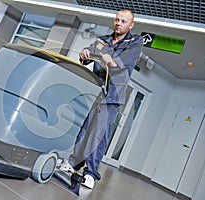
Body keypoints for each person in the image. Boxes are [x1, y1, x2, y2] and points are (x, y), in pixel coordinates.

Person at [60, 9, 143, 189]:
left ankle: (90, 172)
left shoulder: (135, 43)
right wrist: (84, 53)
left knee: (99, 134)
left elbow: (124, 64)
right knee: (85, 129)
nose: (118, 23)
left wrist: (110, 60)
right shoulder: (102, 41)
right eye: (117, 20)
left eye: (123, 21)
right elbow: (90, 52)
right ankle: (74, 163)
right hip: (95, 90)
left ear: (131, 25)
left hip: (112, 95)